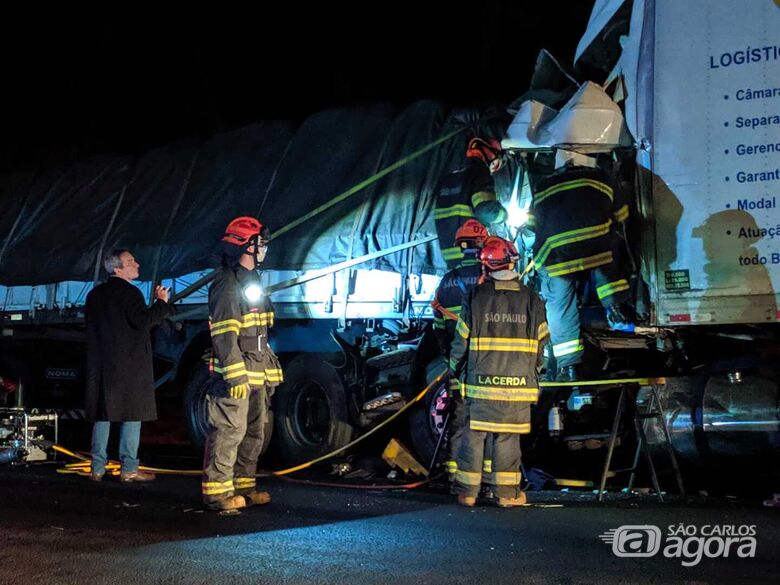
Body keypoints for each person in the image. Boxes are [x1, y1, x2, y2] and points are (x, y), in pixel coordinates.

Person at [449, 236, 548, 507]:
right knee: (507, 437)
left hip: (481, 383)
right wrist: (536, 371)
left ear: (487, 267)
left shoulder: (476, 297)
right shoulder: (532, 299)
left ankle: (467, 494)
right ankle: (506, 496)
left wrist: (454, 370)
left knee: (474, 435)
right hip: (518, 384)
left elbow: (461, 341)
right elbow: (542, 345)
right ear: (513, 262)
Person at [528, 149, 633, 382]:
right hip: (595, 245)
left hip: (557, 254)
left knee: (559, 305)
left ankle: (568, 367)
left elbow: (531, 223)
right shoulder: (602, 177)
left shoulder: (543, 186)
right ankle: (616, 310)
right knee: (608, 256)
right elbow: (623, 215)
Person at [201, 216, 283, 511]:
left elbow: (260, 330)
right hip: (237, 374)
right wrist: (235, 376)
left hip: (257, 370)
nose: (265, 249)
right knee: (229, 430)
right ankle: (218, 493)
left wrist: (267, 371)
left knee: (254, 431)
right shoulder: (227, 282)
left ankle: (243, 485)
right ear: (248, 246)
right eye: (262, 243)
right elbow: (224, 334)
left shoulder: (252, 280)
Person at [84, 249, 172, 482]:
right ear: (118, 268)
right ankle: (129, 468)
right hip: (129, 366)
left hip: (103, 365)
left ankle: (97, 467)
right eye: (131, 261)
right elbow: (143, 321)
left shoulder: (94, 295)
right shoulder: (130, 294)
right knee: (132, 415)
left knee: (103, 415)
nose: (137, 264)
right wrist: (161, 304)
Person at [431, 219, 488, 478]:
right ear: (482, 244)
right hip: (485, 360)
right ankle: (484, 473)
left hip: (458, 362)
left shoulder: (446, 281)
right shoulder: (488, 278)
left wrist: (448, 357)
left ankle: (452, 471)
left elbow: (439, 326)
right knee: (486, 420)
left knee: (457, 418)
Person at [433, 137, 508, 268]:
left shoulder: (448, 177)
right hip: (473, 253)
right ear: (493, 158)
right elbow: (485, 210)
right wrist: (504, 216)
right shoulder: (479, 172)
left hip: (451, 257)